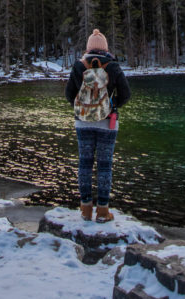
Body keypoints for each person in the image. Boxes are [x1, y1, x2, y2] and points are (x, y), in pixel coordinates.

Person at [65, 28, 130, 223]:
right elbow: (126, 95)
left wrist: (84, 108)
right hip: (107, 123)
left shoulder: (79, 66)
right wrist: (111, 105)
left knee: (84, 163)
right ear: (105, 48)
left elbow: (69, 95)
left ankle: (85, 209)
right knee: (105, 165)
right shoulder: (113, 67)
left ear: (88, 48)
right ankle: (102, 211)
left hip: (83, 122)